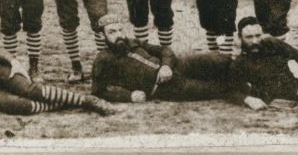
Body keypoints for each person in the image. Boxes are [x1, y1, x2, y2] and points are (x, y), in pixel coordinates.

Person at [91, 14, 231, 103]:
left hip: (178, 65)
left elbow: (165, 50)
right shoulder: (103, 60)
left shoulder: (133, 42)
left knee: (218, 60)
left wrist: (166, 66)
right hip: (165, 88)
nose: (119, 35)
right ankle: (247, 89)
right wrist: (129, 96)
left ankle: (246, 71)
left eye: (120, 30)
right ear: (102, 36)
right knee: (215, 88)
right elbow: (98, 91)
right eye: (112, 32)